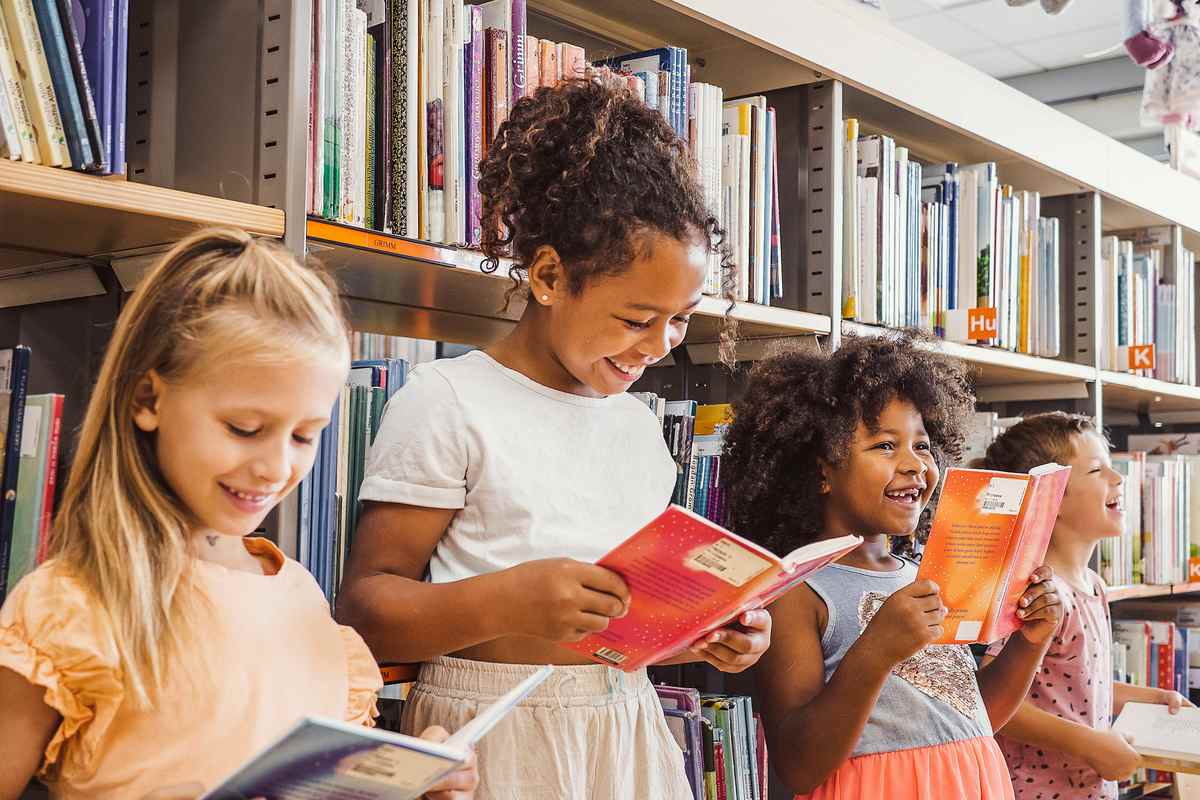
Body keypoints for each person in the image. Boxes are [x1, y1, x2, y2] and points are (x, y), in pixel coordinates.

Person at [336, 77, 770, 799]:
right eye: (636, 319)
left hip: (626, 731)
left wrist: (704, 634)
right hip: (490, 736)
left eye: (681, 319)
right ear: (547, 276)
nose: (659, 344)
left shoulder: (638, 428)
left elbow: (629, 620)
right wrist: (508, 601)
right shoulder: (449, 402)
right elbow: (365, 613)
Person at [0, 229, 476, 800]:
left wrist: (416, 787)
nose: (275, 466)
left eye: (304, 436)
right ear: (148, 400)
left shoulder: (302, 601)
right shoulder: (72, 604)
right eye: (244, 429)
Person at [720, 332, 1062, 799]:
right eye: (885, 446)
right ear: (821, 469)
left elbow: (975, 717)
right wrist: (877, 649)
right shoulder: (797, 590)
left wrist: (1030, 641)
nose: (914, 465)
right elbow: (798, 766)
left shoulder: (924, 572)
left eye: (922, 446)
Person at [980, 412, 1191, 799]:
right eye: (1097, 471)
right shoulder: (1037, 593)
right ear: (1052, 498)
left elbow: (1076, 682)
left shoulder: (1093, 585)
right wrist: (1090, 744)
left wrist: (1148, 698)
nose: (1118, 479)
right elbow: (992, 700)